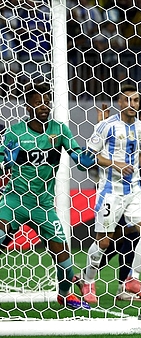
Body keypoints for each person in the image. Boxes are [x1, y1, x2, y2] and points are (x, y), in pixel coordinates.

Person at [0, 82, 95, 309]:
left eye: (47, 101)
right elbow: (2, 162)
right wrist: (6, 159)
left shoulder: (59, 130)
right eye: (38, 102)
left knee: (63, 256)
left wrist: (91, 152)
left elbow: (81, 163)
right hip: (14, 200)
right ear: (27, 106)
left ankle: (65, 294)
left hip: (43, 205)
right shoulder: (15, 132)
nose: (44, 106)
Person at [79, 84, 141, 304]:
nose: (132, 105)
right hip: (110, 191)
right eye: (127, 100)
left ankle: (133, 279)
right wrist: (116, 164)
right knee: (104, 242)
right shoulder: (106, 126)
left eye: (136, 101)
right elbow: (88, 157)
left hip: (134, 189)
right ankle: (88, 281)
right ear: (120, 102)